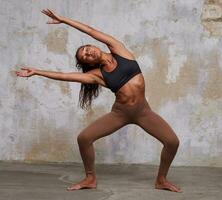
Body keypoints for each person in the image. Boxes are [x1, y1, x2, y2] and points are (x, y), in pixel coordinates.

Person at [15, 9, 181, 193]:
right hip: (121, 114)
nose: (87, 53)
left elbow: (90, 29)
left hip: (143, 112)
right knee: (84, 138)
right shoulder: (97, 75)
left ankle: (161, 180)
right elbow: (64, 75)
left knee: (172, 142)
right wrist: (37, 71)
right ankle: (90, 178)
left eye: (86, 49)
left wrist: (64, 20)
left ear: (93, 46)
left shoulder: (119, 50)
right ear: (89, 64)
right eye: (84, 57)